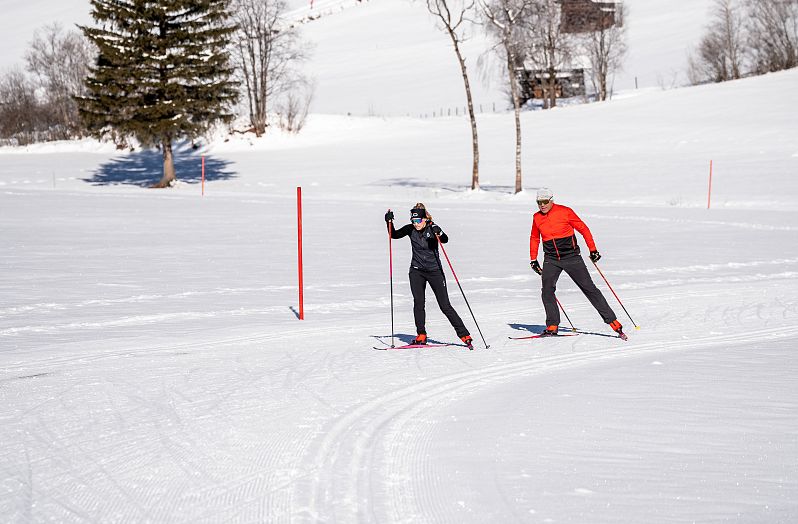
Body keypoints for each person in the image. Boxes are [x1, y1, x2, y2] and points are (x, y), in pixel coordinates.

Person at [529, 188, 627, 339]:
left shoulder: (565, 211)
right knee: (547, 290)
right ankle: (552, 326)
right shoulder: (536, 217)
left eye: (544, 202)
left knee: (588, 288)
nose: (542, 205)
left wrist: (593, 249)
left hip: (571, 257)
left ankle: (613, 322)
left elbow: (583, 229)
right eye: (539, 202)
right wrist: (533, 259)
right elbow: (534, 238)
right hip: (551, 259)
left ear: (551, 200)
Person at [385, 203, 473, 348]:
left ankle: (464, 335)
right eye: (413, 221)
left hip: (435, 272)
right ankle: (421, 335)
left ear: (425, 219)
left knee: (445, 306)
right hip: (416, 271)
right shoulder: (410, 229)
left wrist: (440, 232)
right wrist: (389, 222)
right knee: (418, 302)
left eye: (418, 221)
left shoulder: (433, 228)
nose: (416, 224)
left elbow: (445, 240)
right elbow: (393, 235)